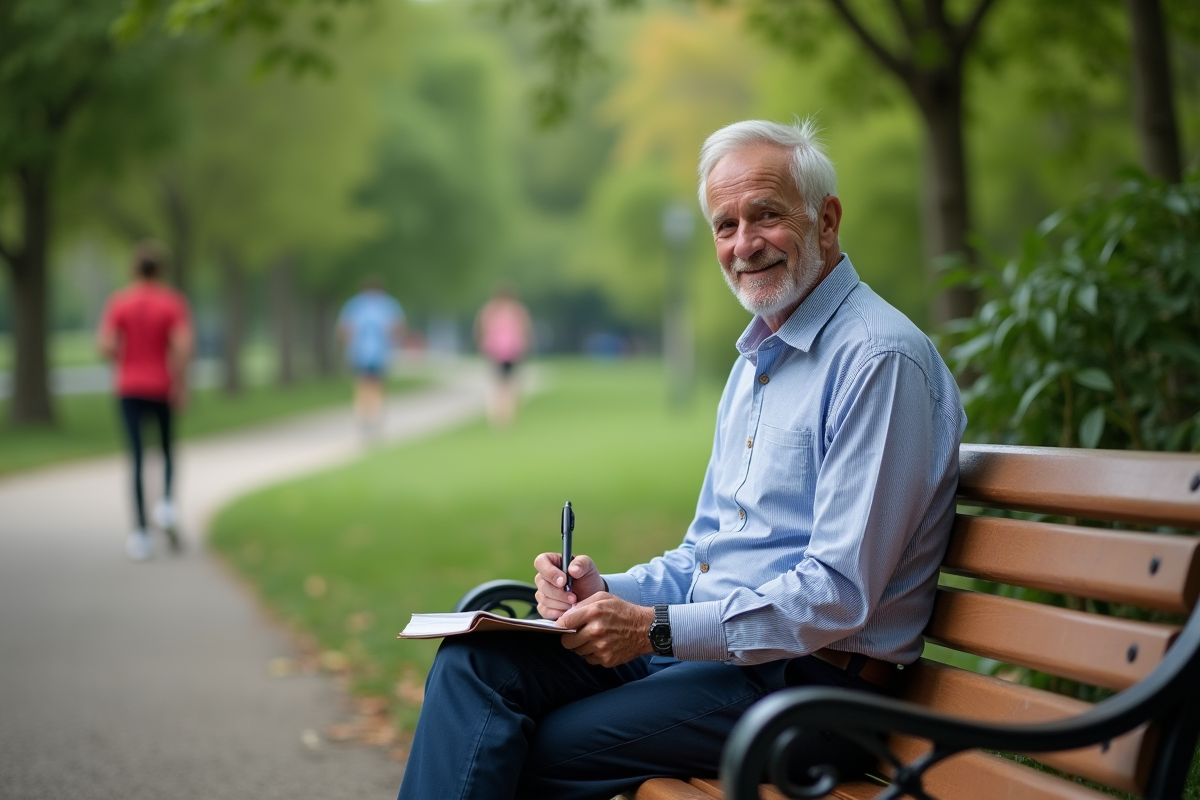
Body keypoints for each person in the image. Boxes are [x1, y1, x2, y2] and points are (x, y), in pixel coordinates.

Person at [396, 119, 966, 800]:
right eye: (725, 226)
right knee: (476, 662)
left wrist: (653, 630)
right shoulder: (757, 359)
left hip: (813, 689)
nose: (744, 244)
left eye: (766, 216)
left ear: (827, 221)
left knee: (540, 745)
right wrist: (605, 594)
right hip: (715, 659)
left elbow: (839, 596)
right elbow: (704, 555)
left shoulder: (879, 360)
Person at [97, 242, 194, 561]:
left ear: (133, 270)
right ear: (162, 270)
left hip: (129, 388)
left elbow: (105, 346)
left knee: (136, 458)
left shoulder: (120, 302)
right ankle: (166, 504)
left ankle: (140, 534)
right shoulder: (171, 302)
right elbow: (182, 347)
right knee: (166, 450)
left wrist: (121, 357)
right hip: (161, 387)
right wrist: (180, 383)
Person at [337, 276, 405, 433]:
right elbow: (345, 330)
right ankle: (369, 416)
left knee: (369, 385)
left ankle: (370, 415)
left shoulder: (359, 305)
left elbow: (344, 329)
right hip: (365, 352)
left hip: (373, 352)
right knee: (368, 385)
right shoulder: (382, 305)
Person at [474, 285, 533, 428]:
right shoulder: (516, 311)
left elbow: (480, 329)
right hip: (510, 350)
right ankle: (507, 416)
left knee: (499, 385)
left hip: (497, 351)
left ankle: (499, 417)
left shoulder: (490, 310)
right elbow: (526, 329)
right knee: (509, 385)